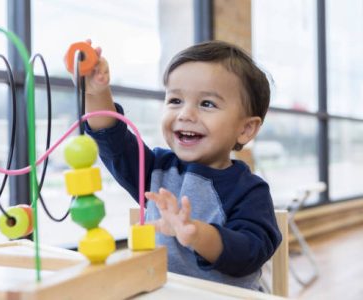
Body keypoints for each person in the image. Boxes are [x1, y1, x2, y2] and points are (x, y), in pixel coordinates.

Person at [82, 40, 282, 291]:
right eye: (175, 100)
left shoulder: (250, 191)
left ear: (245, 129)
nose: (185, 114)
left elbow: (250, 253)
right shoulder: (155, 169)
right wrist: (96, 92)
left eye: (207, 103)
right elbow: (113, 139)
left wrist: (197, 234)